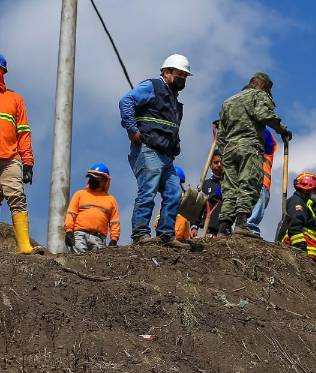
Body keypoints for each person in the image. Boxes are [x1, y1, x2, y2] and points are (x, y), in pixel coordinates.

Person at [119, 54, 190, 248]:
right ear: (167, 72)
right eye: (180, 74)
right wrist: (132, 130)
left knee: (174, 193)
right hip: (148, 149)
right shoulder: (153, 86)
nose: (182, 79)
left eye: (185, 76)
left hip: (166, 155)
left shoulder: (174, 99)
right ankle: (141, 233)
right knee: (148, 191)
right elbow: (126, 101)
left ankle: (166, 235)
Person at [216, 72, 291, 236]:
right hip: (249, 146)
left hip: (229, 149)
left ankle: (224, 226)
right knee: (249, 183)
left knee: (230, 188)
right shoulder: (258, 95)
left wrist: (223, 153)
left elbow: (220, 134)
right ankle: (241, 223)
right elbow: (265, 115)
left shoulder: (228, 102)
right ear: (264, 86)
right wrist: (282, 130)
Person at [0, 53, 37, 254]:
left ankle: (24, 246)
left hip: (10, 160)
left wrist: (28, 162)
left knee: (17, 197)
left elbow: (23, 132)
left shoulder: (15, 99)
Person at [63, 163, 120, 253]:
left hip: (98, 238)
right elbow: (71, 214)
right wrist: (69, 231)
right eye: (91, 178)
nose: (92, 180)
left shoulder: (110, 200)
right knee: (79, 261)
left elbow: (114, 222)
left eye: (96, 178)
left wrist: (114, 239)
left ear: (105, 181)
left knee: (96, 264)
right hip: (79, 235)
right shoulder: (80, 194)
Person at [282, 171, 316, 269]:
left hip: (311, 257)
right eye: (315, 191)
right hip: (303, 254)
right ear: (308, 188)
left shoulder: (308, 206)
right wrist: (300, 248)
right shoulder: (297, 201)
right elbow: (295, 226)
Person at [246, 129, 277, 236]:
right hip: (250, 182)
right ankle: (247, 227)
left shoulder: (266, 148)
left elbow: (267, 138)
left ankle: (250, 227)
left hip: (262, 183)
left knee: (257, 206)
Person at [199, 151, 224, 237]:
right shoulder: (205, 184)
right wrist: (194, 226)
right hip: (209, 228)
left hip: (225, 229)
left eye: (221, 162)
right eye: (216, 162)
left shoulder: (230, 184)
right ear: (210, 165)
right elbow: (199, 207)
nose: (219, 165)